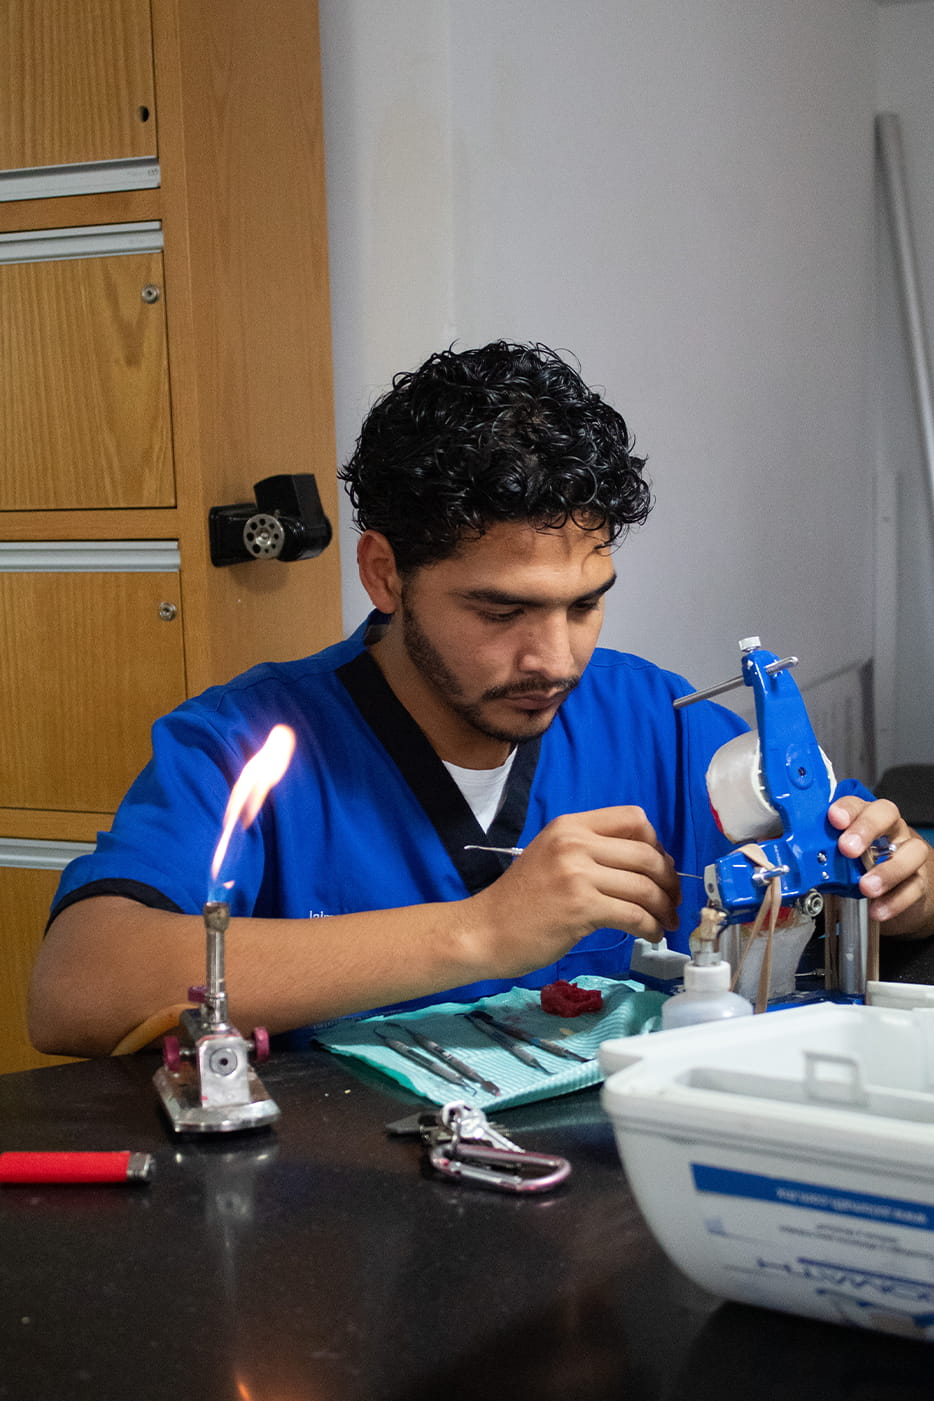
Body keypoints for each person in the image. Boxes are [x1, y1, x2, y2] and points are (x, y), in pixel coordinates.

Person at [29, 342, 934, 1056]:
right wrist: (481, 931)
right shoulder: (247, 745)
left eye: (585, 604)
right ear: (385, 573)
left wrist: (904, 889)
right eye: (502, 611)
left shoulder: (657, 720)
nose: (556, 658)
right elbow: (75, 988)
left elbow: (869, 871)